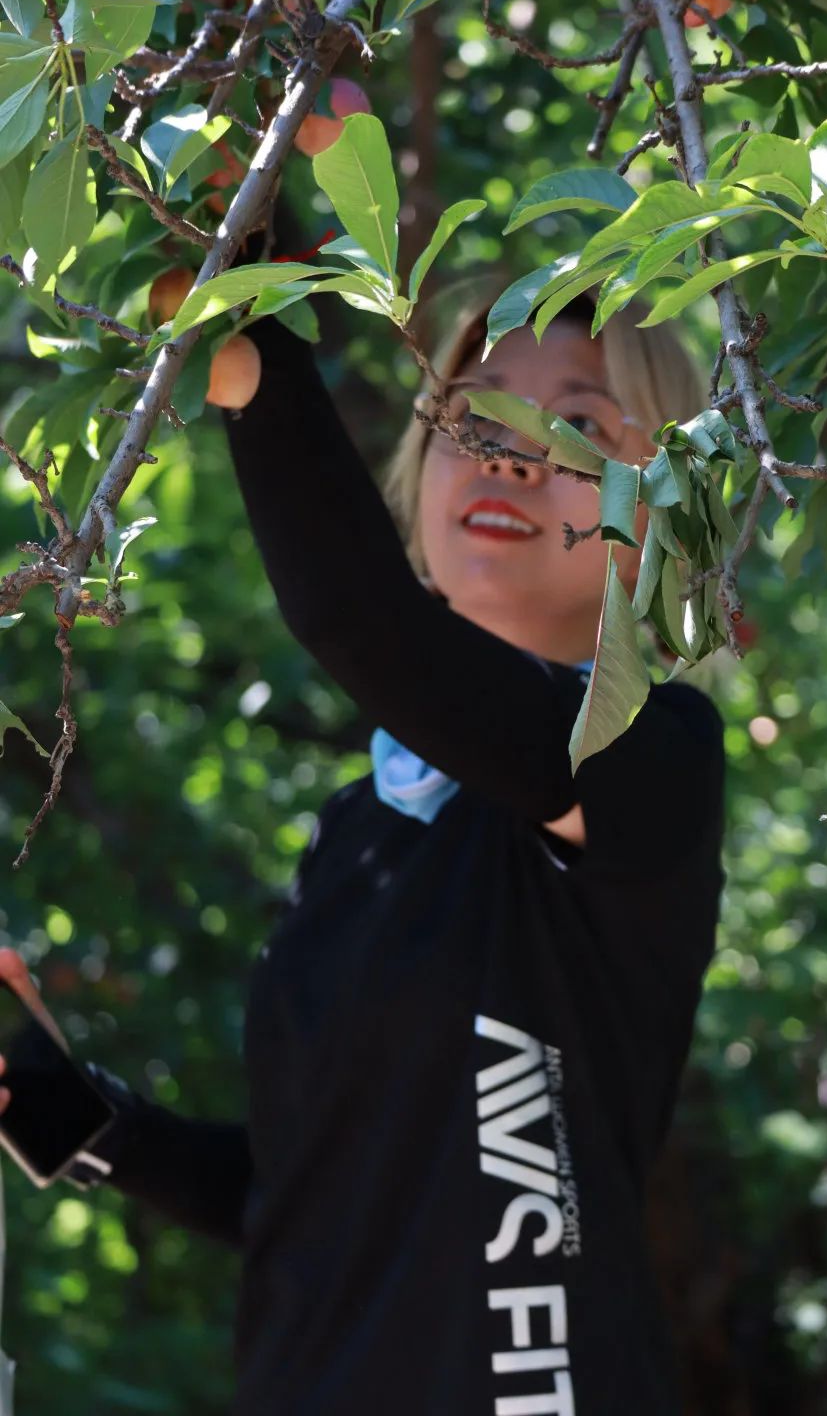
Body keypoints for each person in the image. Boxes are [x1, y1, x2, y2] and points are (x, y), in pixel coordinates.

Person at [0, 266, 726, 1415]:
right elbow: (317, 1201)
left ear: (668, 512)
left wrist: (261, 361)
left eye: (578, 422)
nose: (510, 452)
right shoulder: (363, 828)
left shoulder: (657, 761)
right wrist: (65, 1115)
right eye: (472, 411)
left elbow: (362, 621)